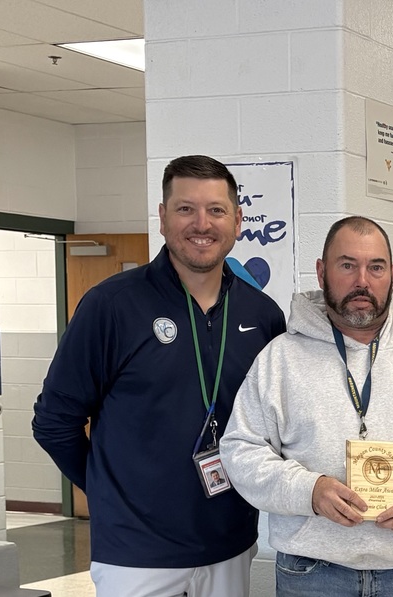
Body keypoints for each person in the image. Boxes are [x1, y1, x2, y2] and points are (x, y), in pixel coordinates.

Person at [32, 155, 286, 596]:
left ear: (238, 220)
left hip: (229, 543)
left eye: (216, 210)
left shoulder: (262, 315)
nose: (201, 223)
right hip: (135, 555)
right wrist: (111, 492)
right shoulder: (111, 306)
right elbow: (54, 423)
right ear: (163, 218)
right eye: (186, 209)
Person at [220, 216, 393, 597]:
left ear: (392, 274)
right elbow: (240, 450)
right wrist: (308, 491)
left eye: (375, 267)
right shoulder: (280, 360)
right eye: (347, 265)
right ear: (321, 271)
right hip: (312, 574)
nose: (362, 280)